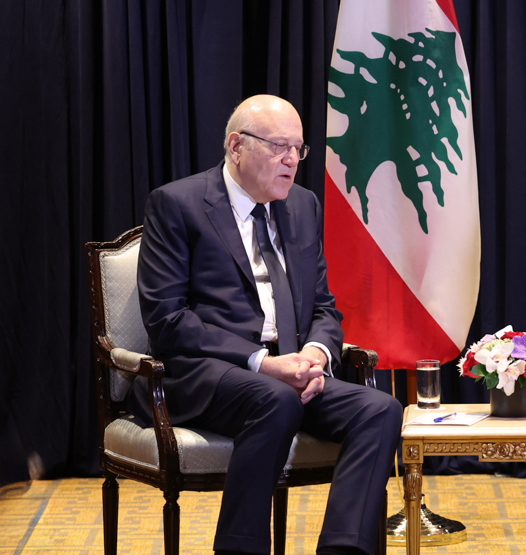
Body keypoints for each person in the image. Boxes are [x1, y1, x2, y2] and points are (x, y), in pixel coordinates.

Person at [133, 94, 403, 555]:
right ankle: (241, 548)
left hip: (292, 371)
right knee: (275, 397)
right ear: (236, 146)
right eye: (279, 146)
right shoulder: (178, 204)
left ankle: (344, 548)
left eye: (299, 148)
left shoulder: (302, 205)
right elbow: (168, 319)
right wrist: (263, 363)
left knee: (380, 408)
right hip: (210, 372)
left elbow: (324, 308)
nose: (292, 160)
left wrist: (316, 355)